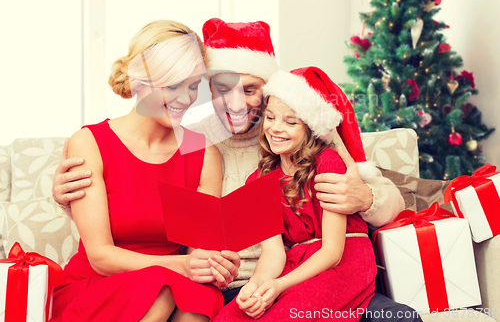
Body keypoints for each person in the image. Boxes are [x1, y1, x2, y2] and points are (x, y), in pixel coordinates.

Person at [53, 19, 418, 322]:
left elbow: (393, 203)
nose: (237, 102)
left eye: (251, 89)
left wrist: (366, 197)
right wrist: (69, 198)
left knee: (399, 319)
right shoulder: (198, 142)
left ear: (271, 90)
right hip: (230, 288)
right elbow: (144, 196)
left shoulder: (299, 134)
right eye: (222, 88)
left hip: (306, 276)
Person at [51, 20, 233, 322]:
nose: (185, 99)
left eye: (193, 86)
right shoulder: (90, 142)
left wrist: (214, 263)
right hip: (99, 286)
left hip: (172, 283)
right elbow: (100, 257)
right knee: (159, 289)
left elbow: (199, 249)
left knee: (200, 295)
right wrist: (184, 268)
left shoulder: (203, 153)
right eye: (172, 85)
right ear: (138, 83)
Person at [214, 67, 377, 321]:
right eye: (270, 118)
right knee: (231, 316)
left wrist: (279, 286)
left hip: (343, 262)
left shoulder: (328, 163)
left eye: (290, 121)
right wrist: (255, 286)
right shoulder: (256, 181)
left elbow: (333, 253)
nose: (276, 129)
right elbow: (273, 254)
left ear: (310, 128)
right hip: (295, 262)